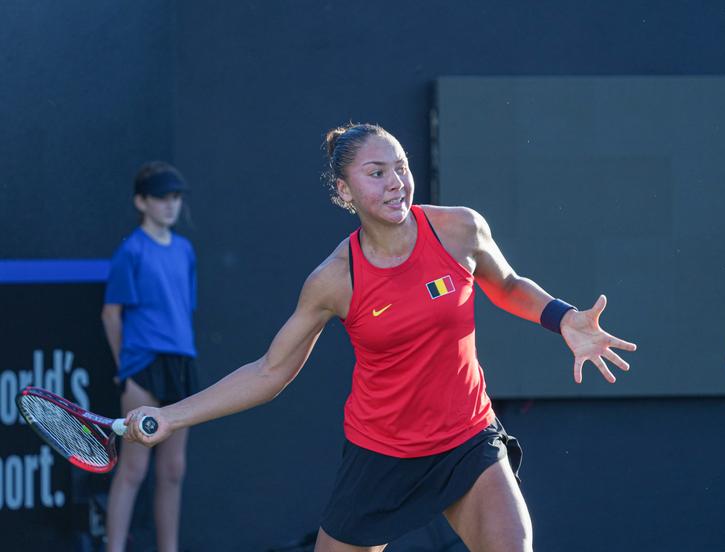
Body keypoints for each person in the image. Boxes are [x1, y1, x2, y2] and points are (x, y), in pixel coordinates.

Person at [123, 124, 636, 552]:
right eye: (376, 173)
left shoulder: (460, 229)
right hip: (380, 455)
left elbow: (506, 285)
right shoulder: (333, 279)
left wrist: (563, 318)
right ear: (344, 192)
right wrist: (171, 416)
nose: (397, 183)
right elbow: (269, 371)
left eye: (401, 167)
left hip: (467, 438)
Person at [101, 161, 198, 552]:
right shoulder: (132, 251)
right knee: (134, 468)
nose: (170, 205)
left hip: (182, 364)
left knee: (173, 470)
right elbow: (111, 314)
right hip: (142, 366)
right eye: (161, 198)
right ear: (141, 202)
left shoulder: (185, 250)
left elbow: (185, 308)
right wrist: (127, 368)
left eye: (175, 198)